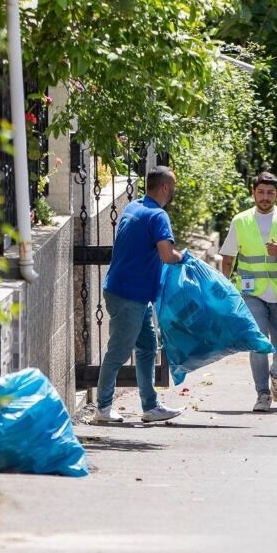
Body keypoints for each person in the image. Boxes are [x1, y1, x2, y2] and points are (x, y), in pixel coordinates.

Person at [94, 166, 185, 424]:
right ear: (165, 187)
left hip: (128, 291)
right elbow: (167, 255)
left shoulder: (133, 207)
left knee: (146, 347)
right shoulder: (158, 215)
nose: (173, 192)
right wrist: (184, 258)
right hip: (129, 295)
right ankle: (103, 407)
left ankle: (150, 406)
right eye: (173, 187)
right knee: (118, 351)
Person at [219, 172, 277, 412]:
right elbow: (228, 257)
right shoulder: (240, 220)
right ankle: (262, 394)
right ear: (253, 193)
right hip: (252, 293)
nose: (265, 197)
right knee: (257, 343)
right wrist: (225, 288)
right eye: (261, 192)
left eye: (270, 193)